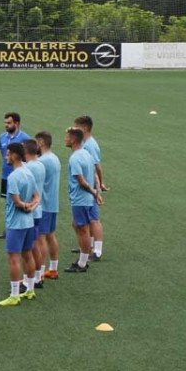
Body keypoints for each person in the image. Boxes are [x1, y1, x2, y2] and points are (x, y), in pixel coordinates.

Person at [0, 144, 40, 307]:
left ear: (15, 155)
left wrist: (24, 206)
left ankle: (14, 294)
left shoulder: (14, 176)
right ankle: (30, 289)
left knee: (13, 258)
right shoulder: (28, 172)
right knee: (28, 255)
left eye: (8, 154)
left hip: (16, 223)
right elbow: (37, 196)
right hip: (29, 222)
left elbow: (15, 202)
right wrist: (31, 206)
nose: (6, 157)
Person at [65, 128, 102, 273]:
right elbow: (94, 174)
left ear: (74, 139)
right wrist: (97, 192)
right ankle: (84, 254)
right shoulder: (86, 154)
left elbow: (81, 181)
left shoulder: (75, 158)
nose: (65, 139)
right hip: (87, 198)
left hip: (80, 199)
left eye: (67, 137)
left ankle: (82, 263)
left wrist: (94, 191)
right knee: (77, 225)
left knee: (83, 231)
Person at [74, 116, 105, 261]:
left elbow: (96, 167)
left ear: (85, 128)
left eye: (77, 126)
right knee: (88, 219)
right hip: (90, 185)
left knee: (94, 219)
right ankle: (88, 246)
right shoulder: (86, 143)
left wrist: (99, 186)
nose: (74, 129)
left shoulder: (89, 145)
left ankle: (97, 251)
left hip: (90, 186)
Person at [0, 113, 31, 238]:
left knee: (21, 199)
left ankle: (21, 226)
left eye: (9, 123)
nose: (6, 125)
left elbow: (29, 157)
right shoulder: (2, 138)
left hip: (20, 177)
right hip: (6, 176)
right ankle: (9, 227)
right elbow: (2, 153)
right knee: (8, 202)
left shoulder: (25, 138)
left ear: (16, 123)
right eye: (5, 123)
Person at [35, 131, 62, 280]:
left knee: (41, 238)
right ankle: (53, 268)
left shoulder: (43, 161)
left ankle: (40, 274)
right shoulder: (55, 158)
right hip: (52, 203)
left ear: (42, 142)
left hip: (43, 205)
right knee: (51, 236)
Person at [23, 139, 47, 289]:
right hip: (38, 209)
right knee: (35, 245)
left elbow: (27, 189)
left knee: (28, 249)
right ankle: (38, 277)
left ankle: (29, 281)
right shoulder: (40, 164)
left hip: (31, 210)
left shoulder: (29, 167)